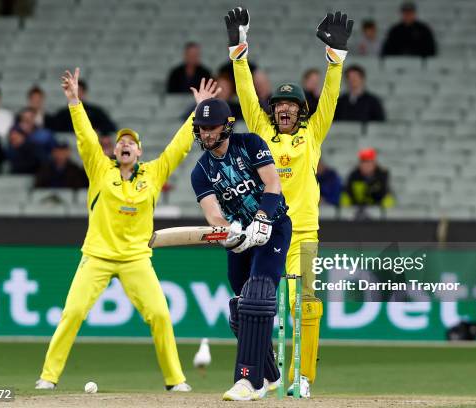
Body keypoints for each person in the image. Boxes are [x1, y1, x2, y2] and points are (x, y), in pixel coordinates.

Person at [34, 68, 220, 392]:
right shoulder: (98, 168)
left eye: (131, 143)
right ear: (114, 150)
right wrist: (74, 101)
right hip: (97, 256)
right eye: (121, 141)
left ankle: (176, 381)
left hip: (136, 258)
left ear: (139, 153)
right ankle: (48, 378)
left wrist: (198, 112)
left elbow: (178, 147)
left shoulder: (154, 172)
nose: (125, 144)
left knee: (160, 315)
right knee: (73, 312)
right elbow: (86, 137)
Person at [227, 7, 352, 397]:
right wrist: (238, 50)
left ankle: (303, 378)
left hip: (303, 235)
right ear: (273, 111)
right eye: (280, 104)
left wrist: (336, 60)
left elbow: (330, 97)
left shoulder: (312, 135)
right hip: (265, 233)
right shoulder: (261, 131)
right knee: (256, 307)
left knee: (306, 308)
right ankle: (264, 373)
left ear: (301, 110)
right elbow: (247, 94)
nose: (285, 108)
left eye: (292, 104)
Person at [190, 98, 290, 401]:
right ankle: (272, 375)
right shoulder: (201, 171)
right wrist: (227, 232)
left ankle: (250, 381)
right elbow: (213, 214)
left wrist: (261, 219)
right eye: (201, 129)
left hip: (273, 227)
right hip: (239, 239)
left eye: (211, 128)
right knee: (241, 309)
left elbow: (273, 184)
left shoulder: (249, 144)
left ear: (227, 126)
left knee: (259, 293)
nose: (206, 134)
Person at [50, 79, 117, 135]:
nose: (75, 94)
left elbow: (111, 127)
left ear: (84, 93)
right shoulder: (62, 114)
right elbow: (54, 129)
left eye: (78, 90)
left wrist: (96, 131)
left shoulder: (95, 112)